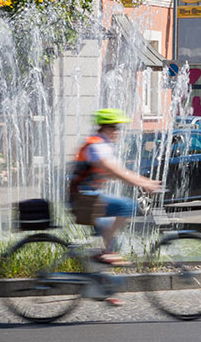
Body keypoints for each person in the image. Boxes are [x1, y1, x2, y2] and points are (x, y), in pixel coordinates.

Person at [68, 108, 161, 267]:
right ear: (106, 128)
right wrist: (143, 183)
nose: (118, 132)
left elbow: (117, 172)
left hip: (87, 198)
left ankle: (96, 275)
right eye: (115, 128)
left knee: (111, 237)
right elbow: (113, 170)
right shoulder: (96, 145)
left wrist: (144, 181)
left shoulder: (103, 145)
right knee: (128, 206)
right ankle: (106, 253)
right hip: (83, 199)